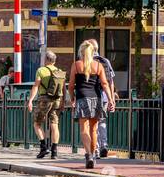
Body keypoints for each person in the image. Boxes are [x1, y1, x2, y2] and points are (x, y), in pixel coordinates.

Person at [68, 40, 111, 169]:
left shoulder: (76, 65)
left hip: (82, 99)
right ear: (93, 52)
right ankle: (93, 153)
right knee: (94, 129)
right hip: (96, 99)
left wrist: (72, 98)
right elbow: (105, 84)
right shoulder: (98, 66)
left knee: (84, 128)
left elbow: (71, 85)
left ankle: (88, 155)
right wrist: (110, 100)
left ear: (81, 52)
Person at [27, 49, 65, 160]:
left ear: (47, 59)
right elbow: (63, 88)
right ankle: (54, 151)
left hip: (44, 99)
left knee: (37, 123)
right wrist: (63, 102)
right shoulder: (60, 71)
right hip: (57, 100)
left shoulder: (41, 70)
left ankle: (43, 147)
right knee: (54, 124)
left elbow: (36, 86)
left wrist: (30, 100)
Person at [90, 39, 118, 158]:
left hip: (91, 95)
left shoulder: (87, 61)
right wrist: (112, 98)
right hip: (105, 96)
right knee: (102, 121)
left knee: (92, 123)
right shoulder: (105, 61)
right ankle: (104, 145)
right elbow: (110, 81)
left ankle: (95, 148)